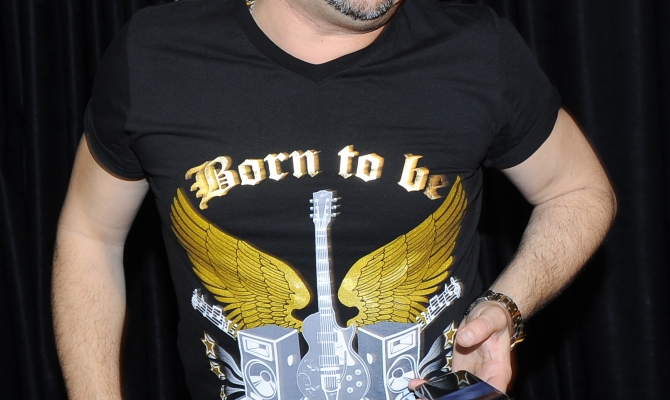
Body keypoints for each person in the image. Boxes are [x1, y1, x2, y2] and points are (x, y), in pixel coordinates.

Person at [52, 0, 616, 398]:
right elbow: (90, 235)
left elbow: (579, 191)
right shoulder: (157, 55)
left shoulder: (476, 50)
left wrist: (505, 306)